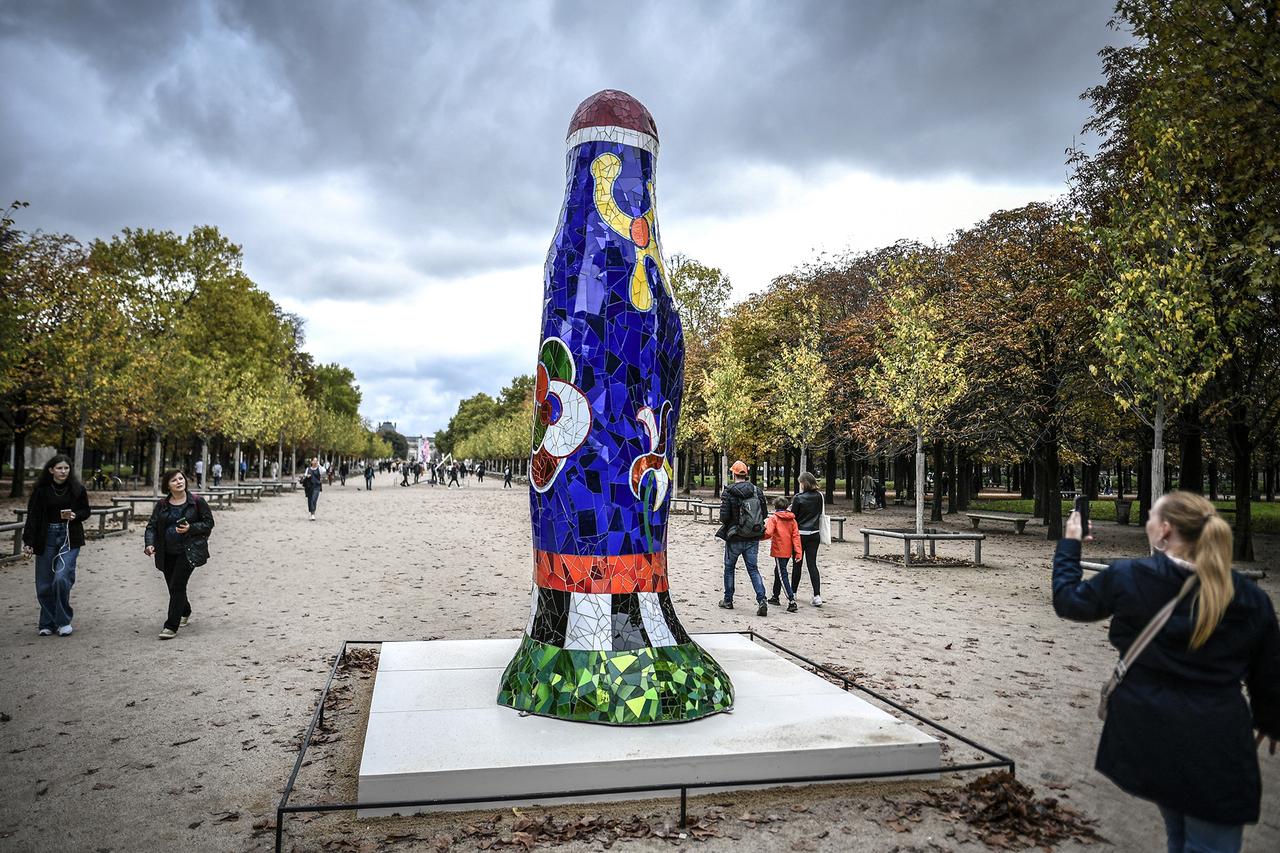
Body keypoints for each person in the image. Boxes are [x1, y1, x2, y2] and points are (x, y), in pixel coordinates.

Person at [1053, 491, 1279, 852]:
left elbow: (1069, 601)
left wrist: (1069, 545)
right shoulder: (1249, 599)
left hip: (1150, 734)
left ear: (1165, 531)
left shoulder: (1130, 577)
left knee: (1178, 831)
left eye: (1151, 518)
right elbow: (1269, 676)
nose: (1147, 524)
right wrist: (1270, 719)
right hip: (1216, 741)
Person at [22, 454, 91, 637]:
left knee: (61, 578)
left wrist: (76, 515)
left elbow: (86, 510)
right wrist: (28, 541)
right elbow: (33, 517)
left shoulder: (77, 489)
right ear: (51, 470)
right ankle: (46, 622)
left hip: (69, 536)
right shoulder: (41, 491)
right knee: (44, 583)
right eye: (59, 468)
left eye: (66, 468)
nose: (63, 471)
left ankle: (62, 621)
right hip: (46, 537)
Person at [143, 470, 214, 640]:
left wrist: (191, 528)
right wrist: (150, 544)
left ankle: (170, 626)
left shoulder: (197, 501)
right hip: (166, 552)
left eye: (181, 478)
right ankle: (185, 610)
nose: (179, 482)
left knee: (176, 585)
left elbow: (209, 523)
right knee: (174, 586)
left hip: (189, 550)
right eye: (174, 480)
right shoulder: (162, 505)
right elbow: (151, 526)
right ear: (167, 485)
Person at [716, 460, 769, 616]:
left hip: (734, 537)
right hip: (753, 536)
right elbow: (764, 514)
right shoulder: (757, 491)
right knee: (753, 569)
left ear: (733, 474)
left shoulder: (728, 492)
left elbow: (724, 517)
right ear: (746, 474)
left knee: (729, 568)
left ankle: (728, 600)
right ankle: (762, 599)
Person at [789, 471, 824, 606]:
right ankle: (817, 595)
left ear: (803, 483)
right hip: (814, 533)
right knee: (812, 564)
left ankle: (794, 592)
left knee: (797, 563)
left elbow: (793, 517)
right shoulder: (819, 497)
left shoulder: (798, 498)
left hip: (800, 534)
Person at [763, 497, 801, 612]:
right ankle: (775, 595)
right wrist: (798, 552)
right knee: (778, 571)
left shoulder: (774, 518)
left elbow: (768, 533)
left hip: (779, 549)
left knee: (782, 574)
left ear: (775, 506)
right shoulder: (792, 520)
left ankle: (791, 600)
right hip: (788, 550)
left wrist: (758, 536)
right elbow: (796, 536)